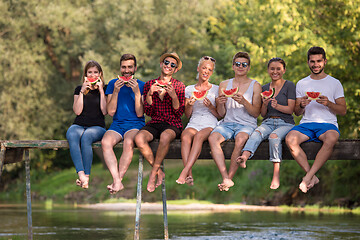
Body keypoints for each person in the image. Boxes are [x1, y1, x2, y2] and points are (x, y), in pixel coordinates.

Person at [285, 46, 347, 193]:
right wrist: (301, 105)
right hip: (306, 124)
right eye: (312, 61)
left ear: (325, 62)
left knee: (331, 138)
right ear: (308, 63)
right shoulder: (301, 83)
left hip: (327, 124)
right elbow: (297, 112)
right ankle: (311, 175)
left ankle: (307, 178)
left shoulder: (335, 83)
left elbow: (343, 110)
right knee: (289, 139)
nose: (315, 64)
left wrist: (329, 104)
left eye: (319, 61)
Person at [237, 58, 296, 190]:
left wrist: (277, 105)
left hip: (285, 123)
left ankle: (276, 174)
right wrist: (264, 104)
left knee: (273, 137)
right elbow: (263, 114)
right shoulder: (264, 88)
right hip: (268, 122)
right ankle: (244, 157)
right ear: (268, 70)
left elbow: (291, 110)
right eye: (272, 69)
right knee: (256, 133)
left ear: (284, 70)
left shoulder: (290, 86)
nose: (275, 72)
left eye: (278, 69)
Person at [208, 51, 262, 191]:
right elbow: (221, 114)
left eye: (244, 64)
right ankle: (225, 176)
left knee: (240, 140)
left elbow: (256, 113)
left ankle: (229, 179)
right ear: (233, 66)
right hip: (227, 123)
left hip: (247, 124)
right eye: (237, 64)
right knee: (213, 138)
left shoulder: (255, 85)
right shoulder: (224, 85)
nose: (240, 66)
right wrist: (219, 103)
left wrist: (244, 102)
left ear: (248, 68)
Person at [134, 52, 185, 192]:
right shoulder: (149, 84)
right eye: (167, 63)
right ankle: (158, 171)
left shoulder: (179, 86)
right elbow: (148, 112)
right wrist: (150, 94)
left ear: (175, 70)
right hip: (155, 122)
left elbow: (179, 113)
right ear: (161, 64)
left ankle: (152, 174)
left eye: (172, 65)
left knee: (165, 136)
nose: (169, 66)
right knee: (139, 138)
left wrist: (174, 96)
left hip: (172, 123)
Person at [101, 54, 145, 194]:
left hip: (135, 124)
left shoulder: (142, 85)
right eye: (124, 67)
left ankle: (117, 180)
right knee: (105, 142)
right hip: (117, 125)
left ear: (135, 68)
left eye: (129, 67)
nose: (126, 71)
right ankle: (117, 180)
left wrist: (137, 92)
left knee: (128, 142)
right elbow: (111, 112)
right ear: (120, 68)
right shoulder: (113, 84)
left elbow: (140, 113)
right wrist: (115, 91)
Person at [176, 56, 220, 185]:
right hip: (194, 121)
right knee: (185, 136)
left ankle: (184, 172)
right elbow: (188, 115)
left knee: (199, 136)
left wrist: (211, 107)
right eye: (204, 68)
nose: (206, 71)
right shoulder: (189, 89)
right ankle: (189, 175)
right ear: (198, 69)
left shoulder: (216, 89)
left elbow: (219, 114)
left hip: (210, 122)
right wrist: (189, 104)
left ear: (212, 72)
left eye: (209, 69)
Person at [66, 60, 107, 189]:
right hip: (79, 125)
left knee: (86, 137)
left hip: (97, 127)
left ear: (100, 74)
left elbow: (105, 111)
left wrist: (101, 91)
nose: (93, 75)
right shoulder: (79, 89)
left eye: (96, 72)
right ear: (85, 74)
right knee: (71, 134)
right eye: (90, 72)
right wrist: (82, 92)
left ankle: (87, 176)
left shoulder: (105, 89)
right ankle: (81, 174)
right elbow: (77, 111)